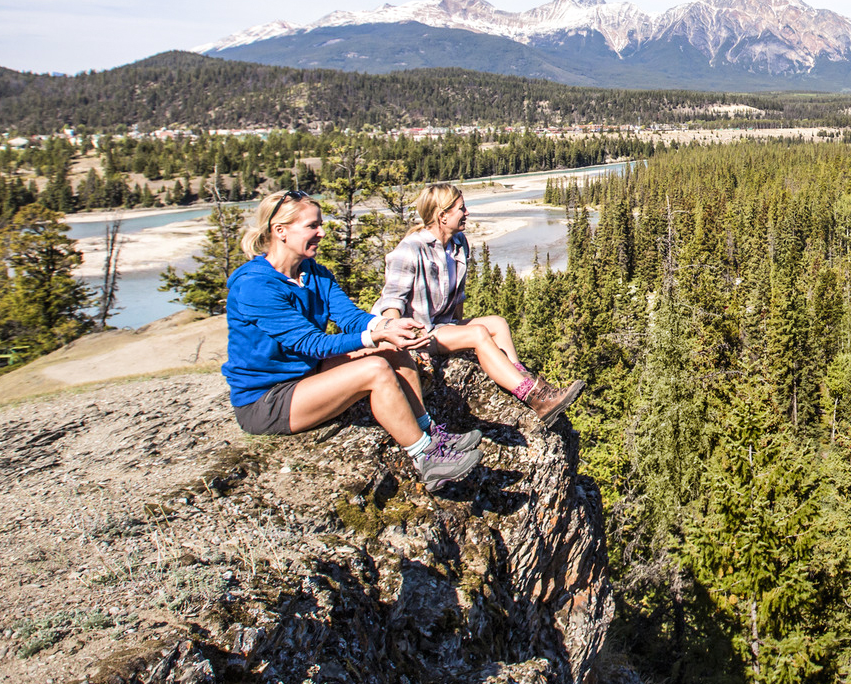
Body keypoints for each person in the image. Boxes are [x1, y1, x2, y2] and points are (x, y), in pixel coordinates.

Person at [223, 189, 484, 492]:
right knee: (375, 369)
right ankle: (425, 458)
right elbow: (312, 343)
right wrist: (373, 336)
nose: (321, 233)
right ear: (280, 231)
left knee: (391, 348)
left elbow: (350, 317)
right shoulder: (255, 285)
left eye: (320, 225)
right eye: (312, 226)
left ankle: (429, 432)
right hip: (267, 400)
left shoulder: (314, 273)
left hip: (307, 374)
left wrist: (388, 326)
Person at [374, 181, 585, 424]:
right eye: (461, 209)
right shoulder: (410, 250)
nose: (467, 213)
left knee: (497, 323)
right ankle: (536, 398)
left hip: (440, 325)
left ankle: (522, 378)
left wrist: (458, 327)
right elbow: (391, 305)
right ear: (443, 216)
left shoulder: (458, 243)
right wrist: (403, 347)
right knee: (478, 333)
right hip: (417, 334)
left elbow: (458, 297)